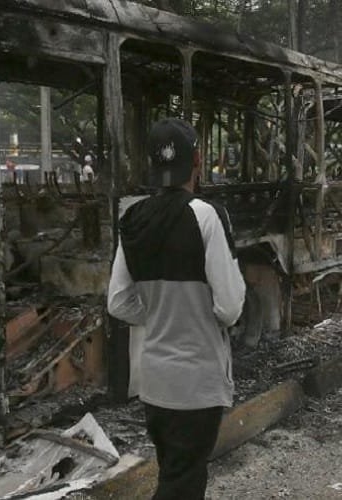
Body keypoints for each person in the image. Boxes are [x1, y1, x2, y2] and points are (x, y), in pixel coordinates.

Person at [107, 118, 245, 500]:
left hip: (155, 384)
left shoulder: (132, 218)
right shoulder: (206, 216)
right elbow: (230, 307)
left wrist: (159, 313)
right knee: (183, 484)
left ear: (152, 164)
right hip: (197, 384)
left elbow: (118, 302)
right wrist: (193, 314)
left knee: (174, 473)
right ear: (197, 160)